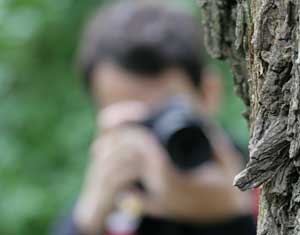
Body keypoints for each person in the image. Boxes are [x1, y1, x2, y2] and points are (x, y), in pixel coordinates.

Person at [52, 1, 256, 234]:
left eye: (168, 114)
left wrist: (234, 217)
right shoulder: (110, 208)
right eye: (135, 121)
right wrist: (87, 220)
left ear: (209, 93)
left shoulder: (266, 179)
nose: (154, 139)